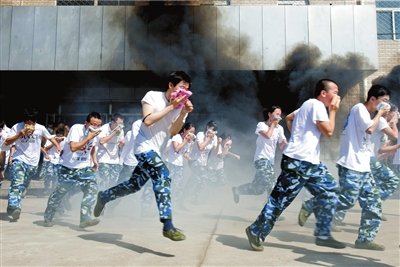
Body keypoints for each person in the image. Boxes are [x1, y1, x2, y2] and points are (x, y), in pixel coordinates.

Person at [245, 79, 344, 251]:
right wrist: (333, 110)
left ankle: (321, 231)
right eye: (335, 92)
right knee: (279, 201)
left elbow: (290, 117)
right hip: (298, 162)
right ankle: (255, 231)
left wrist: (298, 137)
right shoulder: (317, 105)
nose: (337, 95)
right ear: (323, 93)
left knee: (331, 192)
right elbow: (328, 131)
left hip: (311, 162)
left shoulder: (307, 105)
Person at [93, 71, 194, 241]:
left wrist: (183, 112)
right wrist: (171, 106)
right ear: (171, 85)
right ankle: (167, 224)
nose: (184, 92)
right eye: (181, 87)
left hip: (157, 152)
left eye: (187, 90)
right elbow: (147, 120)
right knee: (163, 175)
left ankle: (104, 196)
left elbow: (173, 132)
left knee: (134, 185)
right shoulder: (152, 96)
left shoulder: (179, 107)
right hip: (143, 147)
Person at [43, 111, 102, 228]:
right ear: (86, 123)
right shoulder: (77, 129)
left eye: (98, 125)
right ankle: (48, 216)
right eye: (93, 124)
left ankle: (85, 218)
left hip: (84, 167)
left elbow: (93, 147)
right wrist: (88, 137)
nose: (95, 127)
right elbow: (74, 147)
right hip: (68, 167)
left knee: (92, 189)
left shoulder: (96, 134)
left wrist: (94, 160)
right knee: (60, 193)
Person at [3, 108, 61, 222]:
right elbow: (7, 142)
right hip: (19, 159)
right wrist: (19, 134)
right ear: (24, 121)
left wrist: (57, 146)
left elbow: (50, 137)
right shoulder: (17, 127)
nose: (30, 124)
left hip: (33, 163)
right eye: (28, 122)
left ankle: (11, 206)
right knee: (17, 183)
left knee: (23, 187)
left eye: (32, 122)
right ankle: (15, 207)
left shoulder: (40, 128)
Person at [232, 106, 287, 203]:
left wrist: (285, 143)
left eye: (280, 114)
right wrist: (273, 124)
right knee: (272, 183)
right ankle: (270, 209)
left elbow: (282, 145)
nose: (279, 116)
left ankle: (237, 190)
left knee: (258, 189)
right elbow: (267, 136)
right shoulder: (261, 125)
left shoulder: (280, 129)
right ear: (270, 114)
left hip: (270, 162)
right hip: (261, 159)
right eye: (276, 114)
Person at [187, 120, 218, 204]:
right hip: (194, 160)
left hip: (203, 163)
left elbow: (215, 152)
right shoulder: (200, 134)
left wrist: (217, 141)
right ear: (207, 127)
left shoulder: (214, 138)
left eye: (214, 129)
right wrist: (208, 138)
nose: (212, 130)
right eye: (211, 128)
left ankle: (183, 197)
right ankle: (194, 198)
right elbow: (201, 147)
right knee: (204, 177)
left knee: (194, 180)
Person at [96, 113, 125, 190]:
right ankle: (99, 197)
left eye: (122, 124)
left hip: (115, 160)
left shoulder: (121, 130)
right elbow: (102, 141)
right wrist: (114, 132)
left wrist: (122, 144)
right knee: (105, 181)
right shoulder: (103, 129)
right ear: (113, 122)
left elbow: (119, 145)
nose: (121, 126)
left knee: (113, 182)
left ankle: (108, 199)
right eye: (119, 124)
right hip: (103, 160)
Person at [40, 127, 66, 195]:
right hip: (50, 159)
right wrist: (55, 143)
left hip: (59, 161)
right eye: (58, 135)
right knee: (49, 174)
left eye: (61, 136)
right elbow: (45, 149)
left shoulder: (65, 140)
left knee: (56, 176)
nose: (59, 137)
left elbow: (64, 151)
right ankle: (46, 188)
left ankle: (53, 189)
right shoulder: (51, 138)